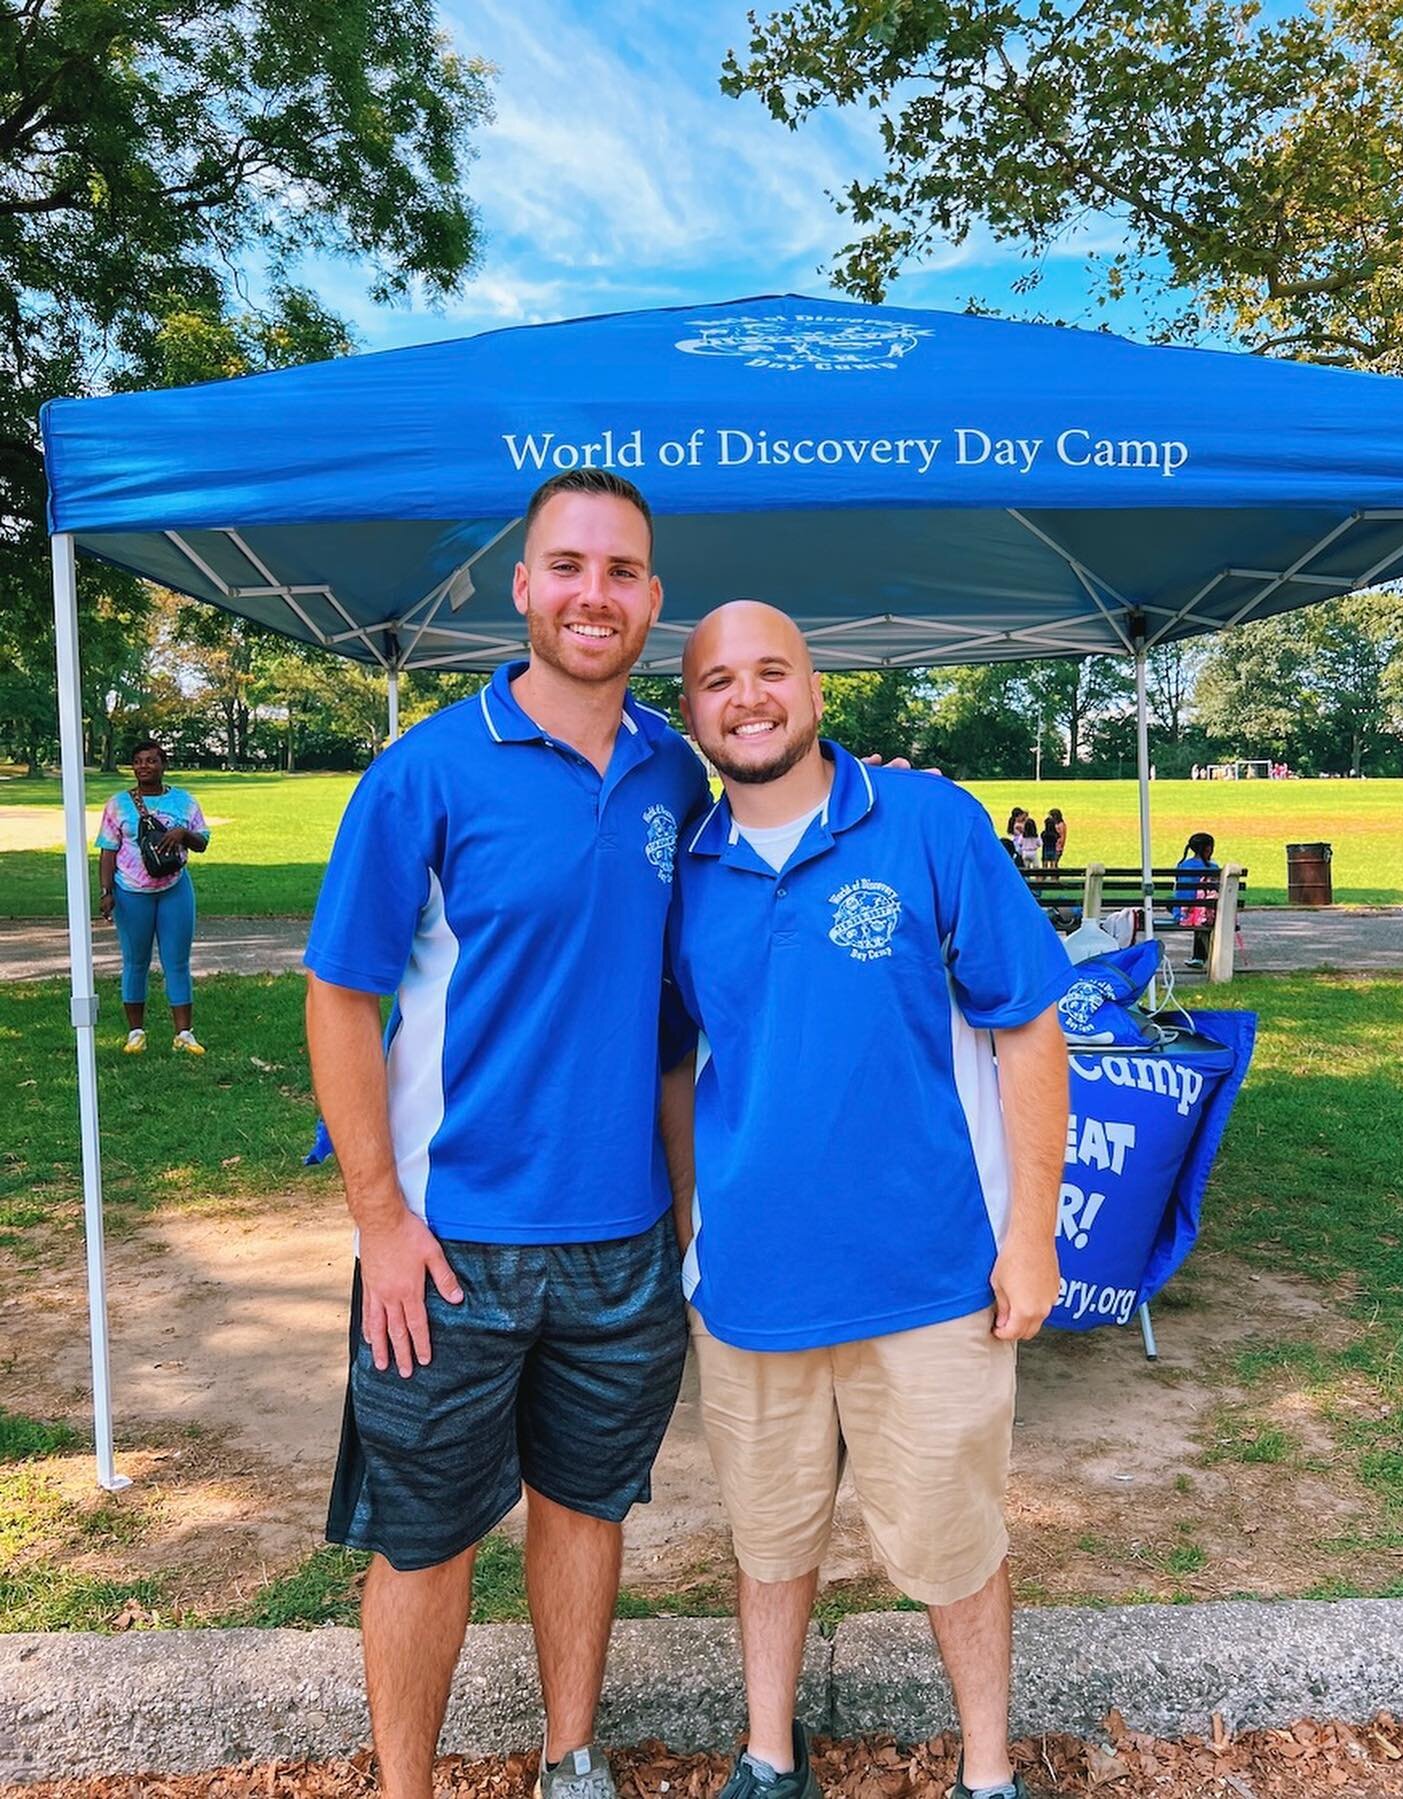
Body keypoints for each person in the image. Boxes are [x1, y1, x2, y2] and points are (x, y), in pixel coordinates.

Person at [303, 469, 710, 1799]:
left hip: (623, 1237)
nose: (597, 592)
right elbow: (341, 994)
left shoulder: (671, 769)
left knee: (588, 1508)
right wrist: (379, 1217)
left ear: (652, 597)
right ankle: (405, 1786)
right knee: (424, 1538)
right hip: (449, 1241)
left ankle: (569, 1757)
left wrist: (685, 1211)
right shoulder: (424, 770)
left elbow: (669, 1015)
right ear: (522, 585)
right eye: (570, 565)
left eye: (624, 570)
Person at [667, 602, 1071, 1799]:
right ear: (691, 711)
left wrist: (1031, 1233)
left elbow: (1029, 1031)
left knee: (955, 1547)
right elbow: (678, 1061)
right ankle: (769, 1751)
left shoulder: (930, 821)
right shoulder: (686, 865)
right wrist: (697, 1219)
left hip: (929, 1276)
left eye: (771, 671)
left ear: (818, 687)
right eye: (719, 680)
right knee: (769, 1536)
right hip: (752, 1288)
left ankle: (988, 1771)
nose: (748, 697)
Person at [94, 738, 210, 1054]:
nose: (144, 766)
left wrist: (183, 834)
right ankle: (135, 1033)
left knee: (177, 961)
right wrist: (107, 891)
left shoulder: (184, 802)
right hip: (132, 892)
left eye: (151, 760)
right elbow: (108, 850)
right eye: (138, 761)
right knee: (135, 961)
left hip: (175, 889)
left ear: (163, 764)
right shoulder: (118, 804)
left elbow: (202, 842)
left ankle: (184, 1034)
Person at [1173, 831, 1219, 969]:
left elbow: (1180, 891)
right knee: (1202, 911)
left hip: (1181, 912)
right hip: (1202, 913)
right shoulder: (1212, 867)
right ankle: (1200, 956)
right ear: (1208, 848)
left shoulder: (1182, 865)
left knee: (1175, 902)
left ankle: (1199, 957)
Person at [1039, 813, 1061, 877]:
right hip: (1053, 850)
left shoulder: (1043, 834)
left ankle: (1044, 879)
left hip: (1045, 850)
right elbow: (1058, 837)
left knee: (1044, 867)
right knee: (1053, 867)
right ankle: (1053, 879)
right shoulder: (1055, 834)